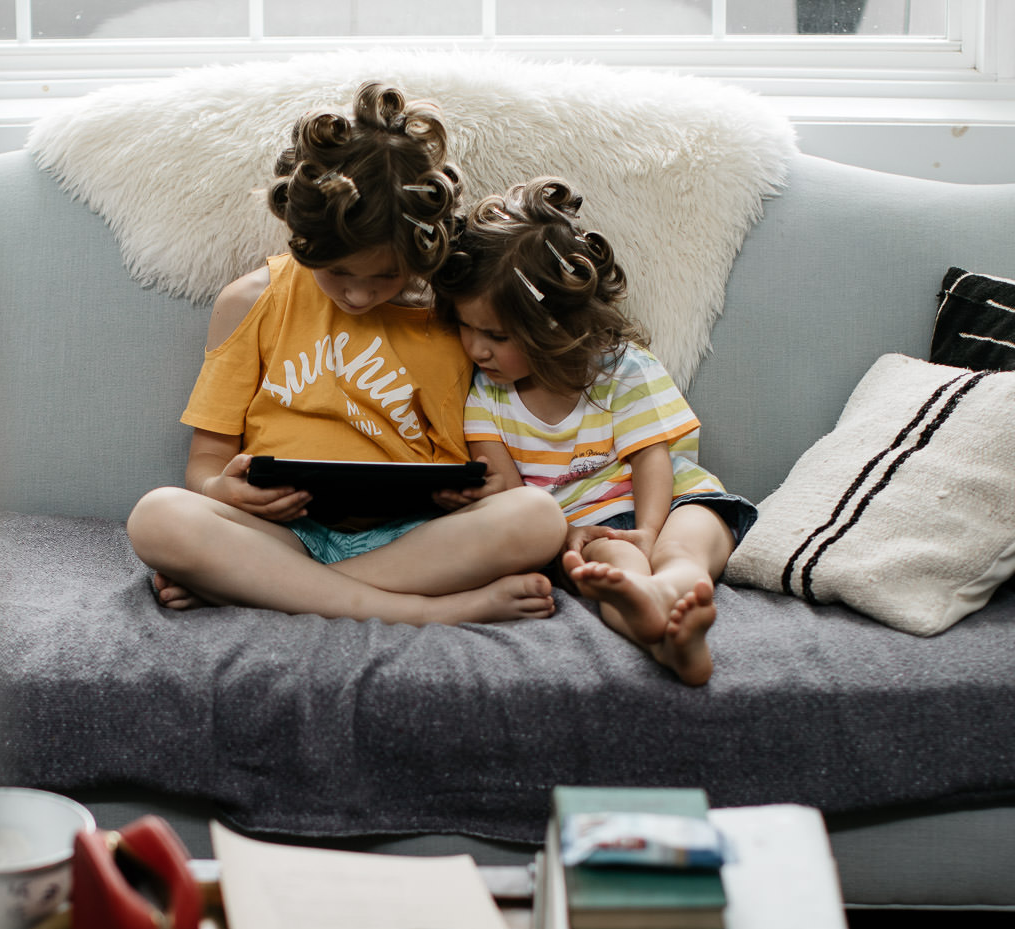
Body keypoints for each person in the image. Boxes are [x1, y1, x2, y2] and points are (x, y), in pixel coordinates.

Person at [125, 82, 566, 626]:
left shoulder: (455, 315)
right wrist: (224, 490)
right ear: (301, 237)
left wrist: (482, 490)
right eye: (338, 273)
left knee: (537, 516)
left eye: (386, 275)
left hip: (413, 539)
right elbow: (206, 464)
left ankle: (261, 588)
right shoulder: (251, 301)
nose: (358, 295)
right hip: (282, 535)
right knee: (158, 516)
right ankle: (420, 610)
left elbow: (485, 453)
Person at [433, 178, 759, 685]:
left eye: (496, 335)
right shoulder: (486, 395)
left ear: (554, 326)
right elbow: (510, 496)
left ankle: (672, 595)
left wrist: (649, 531)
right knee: (615, 563)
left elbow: (651, 457)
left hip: (671, 501)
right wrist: (572, 537)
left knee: (686, 542)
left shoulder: (621, 370)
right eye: (465, 327)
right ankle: (662, 633)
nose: (476, 349)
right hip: (586, 529)